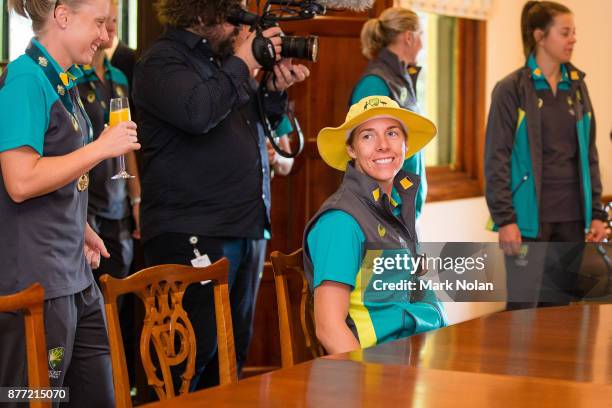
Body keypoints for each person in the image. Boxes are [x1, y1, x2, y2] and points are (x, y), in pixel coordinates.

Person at [132, 0, 309, 390]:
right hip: (193, 232)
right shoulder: (162, 62)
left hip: (244, 227)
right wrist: (244, 61)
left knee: (231, 360)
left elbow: (264, 126)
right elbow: (198, 114)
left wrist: (275, 91)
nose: (240, 25)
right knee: (184, 366)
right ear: (201, 14)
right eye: (233, 16)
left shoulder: (221, 64)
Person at [0, 0, 140, 406]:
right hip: (38, 284)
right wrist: (100, 149)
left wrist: (79, 226)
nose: (105, 35)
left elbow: (56, 172)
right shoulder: (25, 80)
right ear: (62, 17)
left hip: (74, 276)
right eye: (98, 22)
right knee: (35, 398)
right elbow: (20, 180)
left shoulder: (63, 80)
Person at [485, 1, 608, 308]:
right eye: (565, 32)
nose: (573, 39)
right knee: (523, 312)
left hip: (571, 219)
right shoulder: (511, 89)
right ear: (540, 36)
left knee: (560, 312)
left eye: (574, 32)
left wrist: (596, 213)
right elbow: (496, 158)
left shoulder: (577, 87)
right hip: (527, 222)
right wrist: (505, 220)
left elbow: (589, 153)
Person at [303, 95, 446, 354]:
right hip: (376, 373)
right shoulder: (341, 222)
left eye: (392, 133)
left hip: (416, 354)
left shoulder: (397, 208)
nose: (382, 146)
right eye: (368, 136)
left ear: (405, 144)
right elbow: (328, 328)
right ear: (351, 149)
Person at [350, 7, 428, 220]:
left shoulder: (401, 78)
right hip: (386, 211)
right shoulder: (375, 83)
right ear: (409, 37)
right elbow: (370, 153)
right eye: (421, 35)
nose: (423, 44)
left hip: (404, 207)